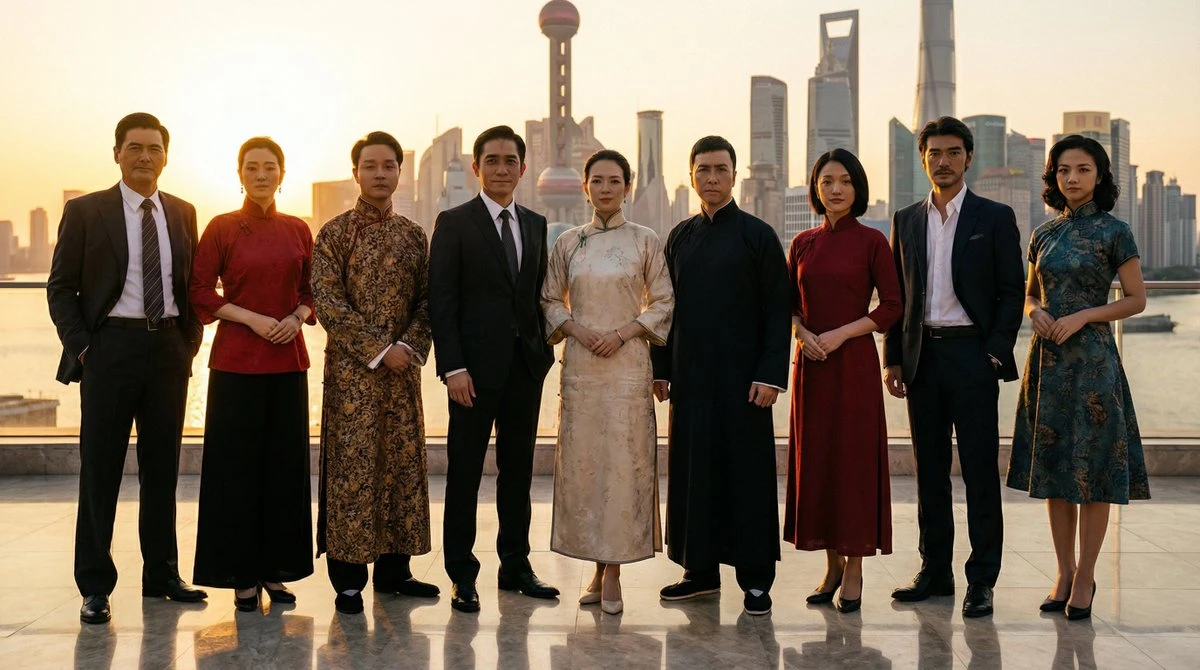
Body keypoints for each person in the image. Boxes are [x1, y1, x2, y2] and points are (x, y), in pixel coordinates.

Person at [47, 112, 208, 624]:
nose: (144, 157)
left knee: (163, 470)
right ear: (116, 153)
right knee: (101, 472)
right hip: (108, 351)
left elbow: (189, 287)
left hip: (167, 353)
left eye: (154, 148)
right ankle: (95, 586)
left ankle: (161, 572)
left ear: (166, 155)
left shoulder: (183, 212)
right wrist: (85, 350)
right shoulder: (86, 211)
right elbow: (60, 289)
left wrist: (188, 344)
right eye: (134, 147)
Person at [883, 116, 1025, 618]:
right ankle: (935, 570)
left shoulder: (994, 216)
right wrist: (894, 358)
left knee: (980, 472)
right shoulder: (905, 219)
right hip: (923, 358)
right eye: (933, 153)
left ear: (968, 158)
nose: (942, 161)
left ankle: (982, 579)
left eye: (952, 153)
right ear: (922, 159)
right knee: (930, 474)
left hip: (972, 355)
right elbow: (897, 297)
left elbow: (1013, 292)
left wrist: (994, 352)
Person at [1007, 135, 1149, 620]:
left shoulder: (1116, 232)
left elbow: (1135, 299)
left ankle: (1086, 575)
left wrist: (1084, 316)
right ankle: (1063, 571)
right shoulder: (1042, 234)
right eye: (1064, 170)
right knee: (1054, 470)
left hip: (1093, 364)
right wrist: (1036, 313)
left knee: (1093, 472)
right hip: (1047, 364)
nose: (1072, 178)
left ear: (1101, 176)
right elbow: (1028, 295)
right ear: (1053, 177)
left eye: (1083, 169)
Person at [650, 135, 791, 616]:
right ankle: (699, 571)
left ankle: (755, 580)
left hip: (746, 383)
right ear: (690, 176)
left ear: (734, 176)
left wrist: (771, 375)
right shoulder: (680, 237)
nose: (711, 178)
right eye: (703, 169)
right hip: (689, 380)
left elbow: (778, 311)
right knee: (693, 474)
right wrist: (661, 370)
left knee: (746, 476)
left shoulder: (758, 235)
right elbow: (663, 311)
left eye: (721, 170)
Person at [428, 125, 559, 613]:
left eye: (510, 160)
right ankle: (462, 574)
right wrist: (453, 367)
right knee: (464, 474)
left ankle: (516, 565)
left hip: (524, 369)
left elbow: (536, 298)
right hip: (471, 376)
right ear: (475, 168)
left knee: (518, 473)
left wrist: (541, 355)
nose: (501, 168)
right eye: (492, 160)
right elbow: (443, 301)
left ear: (523, 169)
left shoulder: (537, 224)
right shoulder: (454, 222)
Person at [541, 149, 675, 615]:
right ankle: (597, 569)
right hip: (581, 370)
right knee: (586, 470)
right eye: (596, 180)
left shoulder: (646, 241)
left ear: (627, 186)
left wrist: (622, 333)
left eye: (614, 181)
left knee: (624, 468)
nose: (605, 188)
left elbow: (663, 302)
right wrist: (579, 331)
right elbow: (549, 301)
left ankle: (614, 572)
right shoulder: (568, 243)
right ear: (585, 187)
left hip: (627, 368)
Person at [311, 131, 439, 615]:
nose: (381, 173)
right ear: (356, 173)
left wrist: (407, 346)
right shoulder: (335, 233)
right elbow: (329, 303)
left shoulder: (413, 235)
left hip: (403, 372)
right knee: (353, 471)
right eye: (371, 166)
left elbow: (429, 300)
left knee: (401, 467)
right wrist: (378, 350)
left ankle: (396, 572)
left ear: (399, 173)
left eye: (389, 165)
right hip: (352, 378)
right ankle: (348, 581)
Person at [189, 136, 315, 611]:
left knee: (284, 471)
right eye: (252, 168)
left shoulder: (299, 229)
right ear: (239, 174)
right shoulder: (222, 227)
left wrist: (296, 317)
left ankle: (276, 572)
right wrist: (253, 318)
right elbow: (200, 290)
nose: (261, 175)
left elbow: (311, 289)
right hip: (235, 363)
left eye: (269, 167)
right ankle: (241, 573)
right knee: (234, 471)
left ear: (282, 173)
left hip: (288, 361)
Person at [784, 148, 902, 613]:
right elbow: (790, 303)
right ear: (815, 188)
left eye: (845, 181)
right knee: (819, 463)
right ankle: (831, 565)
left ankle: (853, 567)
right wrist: (803, 333)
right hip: (811, 365)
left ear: (858, 189)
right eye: (827, 181)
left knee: (852, 465)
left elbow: (891, 306)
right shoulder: (802, 243)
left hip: (852, 365)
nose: (835, 189)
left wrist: (839, 334)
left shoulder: (873, 241)